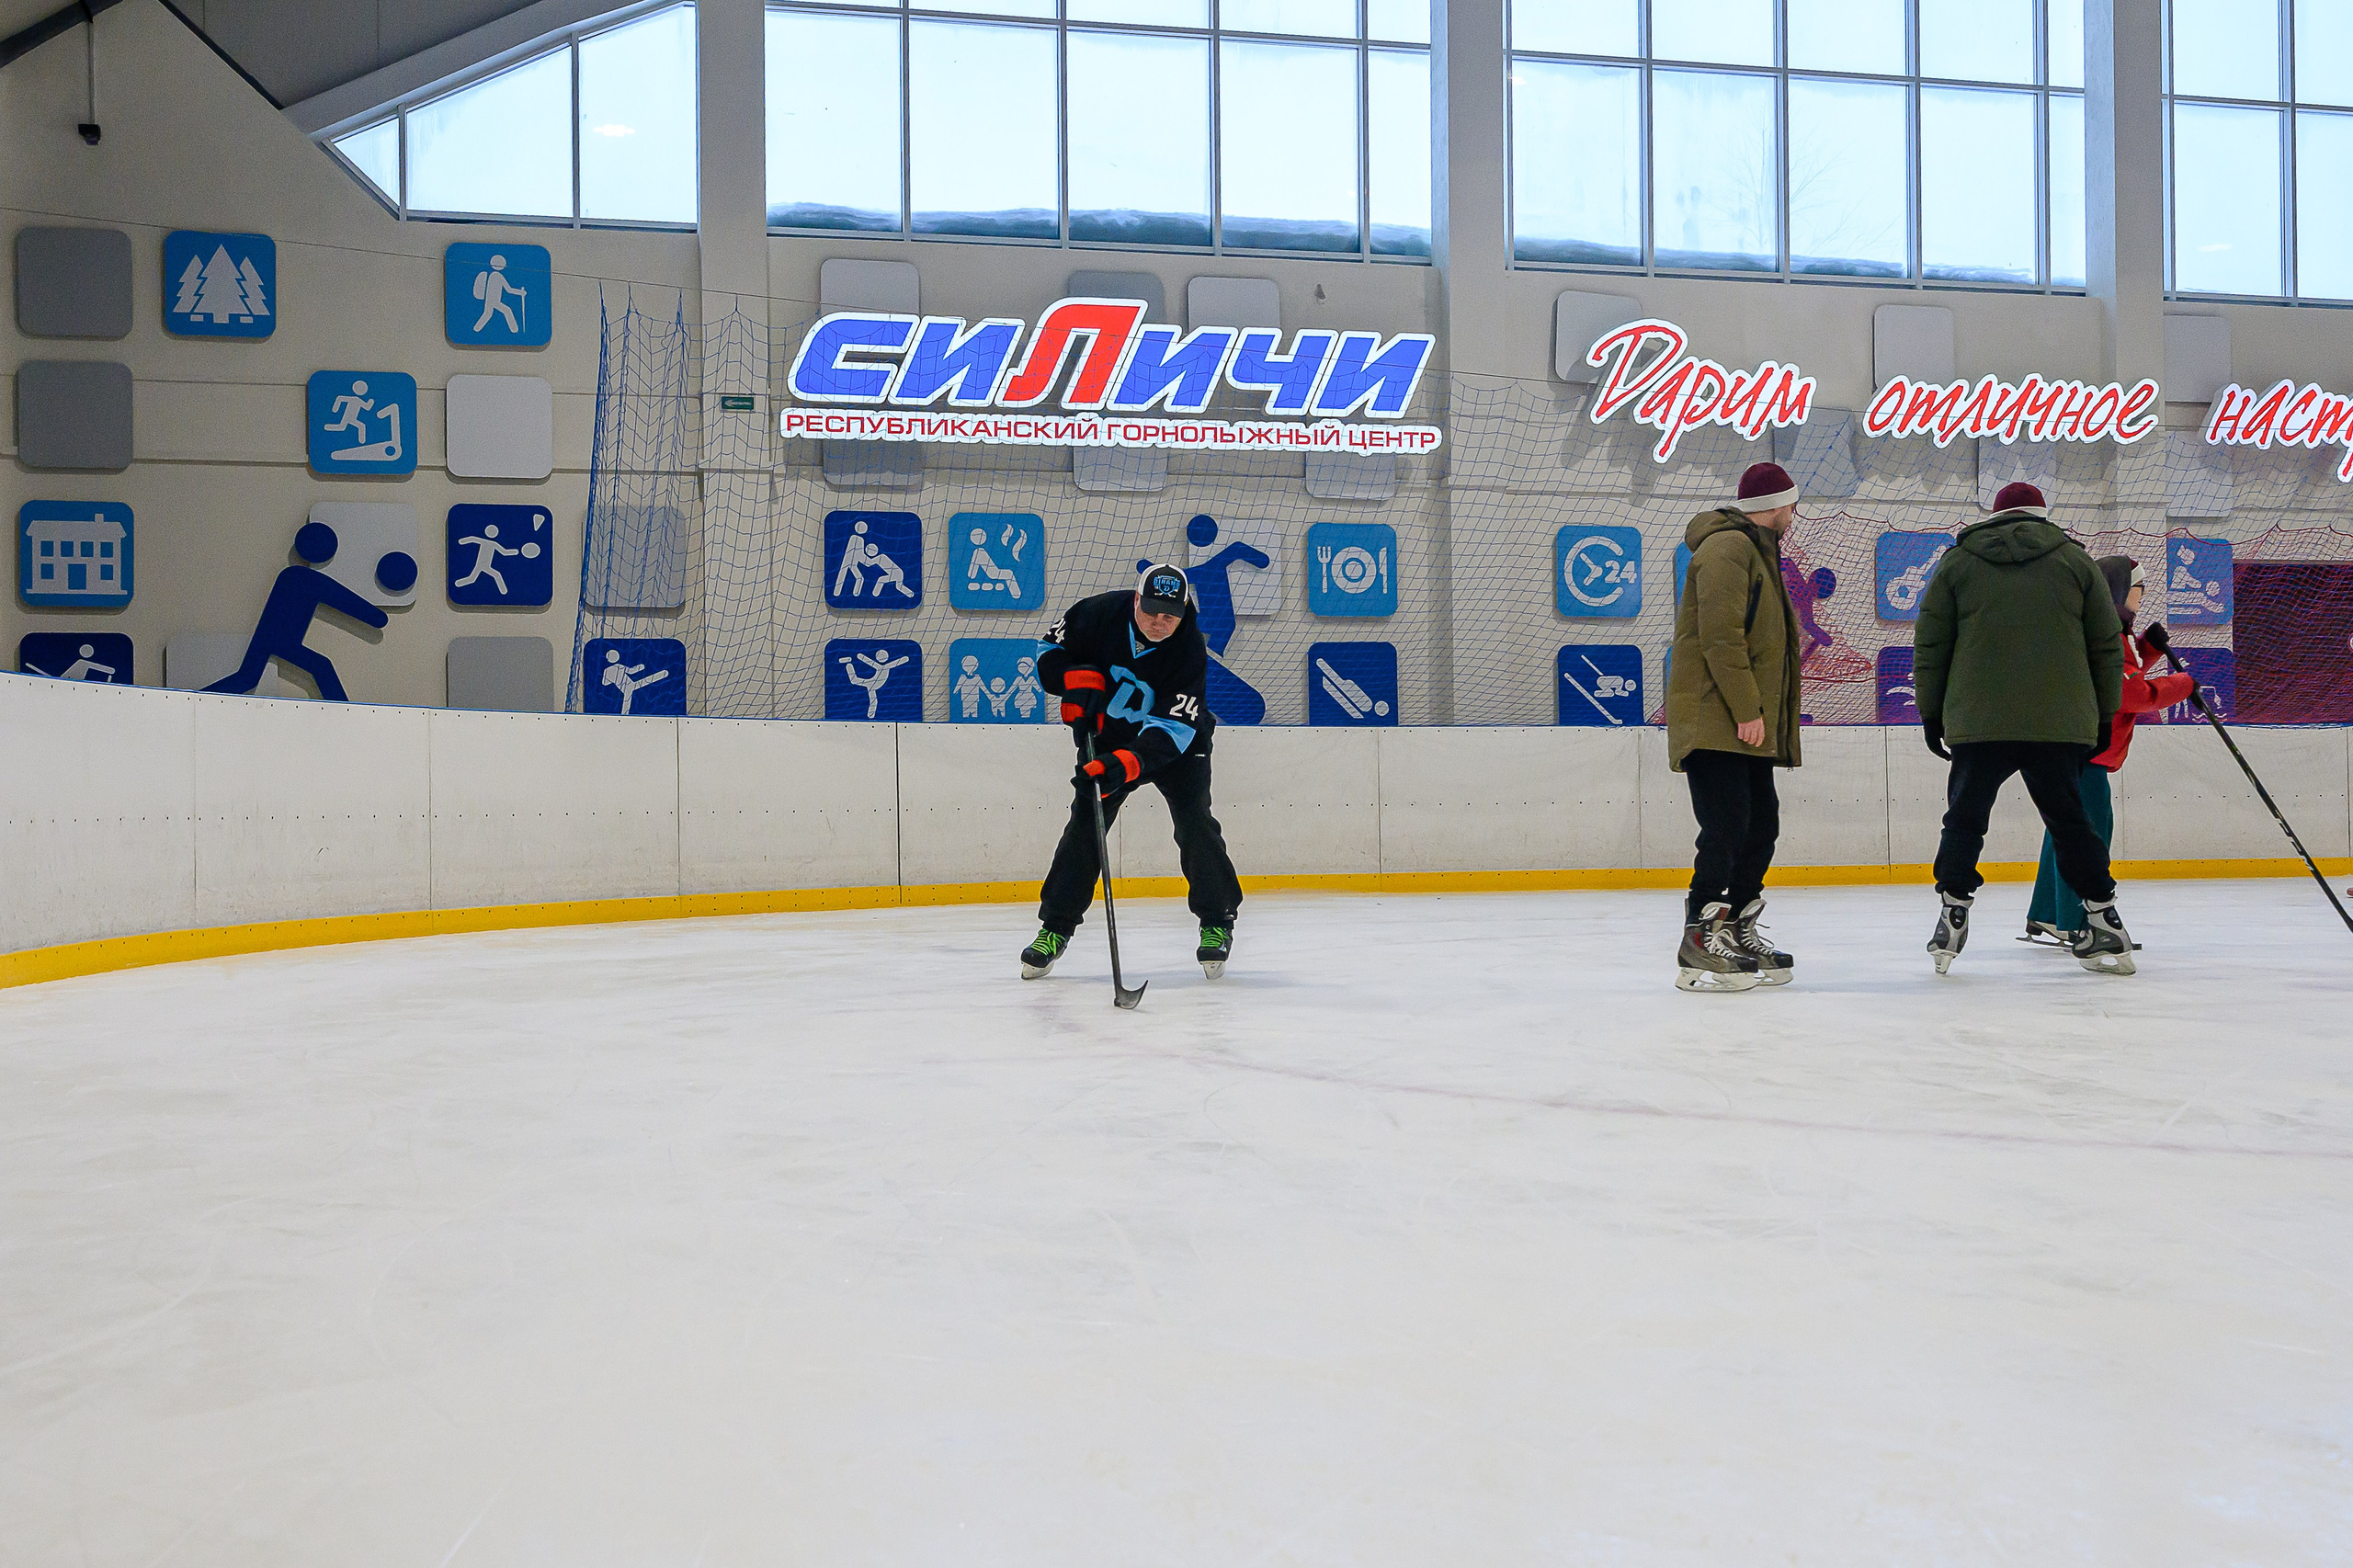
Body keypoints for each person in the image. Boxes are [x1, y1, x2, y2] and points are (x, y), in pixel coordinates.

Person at [1913, 482, 2133, 975]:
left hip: (1978, 722)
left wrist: (1931, 713)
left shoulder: (1957, 563)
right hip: (2057, 724)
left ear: (1995, 516)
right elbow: (2105, 645)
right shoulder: (2075, 563)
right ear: (2041, 515)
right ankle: (2103, 919)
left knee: (1965, 819)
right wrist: (2102, 715)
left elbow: (1930, 644)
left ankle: (1952, 909)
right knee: (2070, 822)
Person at [1020, 562, 1242, 981]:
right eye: (1152, 610)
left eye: (1170, 615)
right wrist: (1072, 679)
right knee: (1086, 823)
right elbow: (1049, 653)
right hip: (1108, 737)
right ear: (1136, 599)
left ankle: (1217, 919)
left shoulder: (1189, 648)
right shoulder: (1096, 614)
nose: (1160, 622)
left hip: (1175, 745)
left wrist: (1124, 765)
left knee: (1195, 821)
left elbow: (1173, 727)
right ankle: (1054, 927)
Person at [1664, 460, 1806, 992]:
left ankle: (1738, 927)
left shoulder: (1754, 551)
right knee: (1725, 828)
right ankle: (1702, 936)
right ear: (1774, 507)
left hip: (1741, 723)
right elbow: (1721, 639)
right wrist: (1749, 710)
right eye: (1792, 506)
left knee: (1759, 824)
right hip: (1716, 718)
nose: (1794, 515)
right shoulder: (1727, 548)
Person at [2024, 557, 2197, 945]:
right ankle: (2077, 920)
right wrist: (2181, 684)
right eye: (2138, 589)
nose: (2141, 597)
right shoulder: (2104, 635)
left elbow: (2118, 672)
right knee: (2087, 837)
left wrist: (2148, 650)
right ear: (2120, 590)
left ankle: (2048, 914)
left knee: (2064, 831)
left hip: (2070, 747)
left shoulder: (2092, 627)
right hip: (2087, 752)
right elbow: (2129, 692)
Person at [206, 522, 387, 702]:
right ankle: (345, 714)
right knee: (321, 667)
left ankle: (194, 700)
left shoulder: (290, 575)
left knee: (247, 677)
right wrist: (376, 617)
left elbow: (345, 601)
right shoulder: (309, 580)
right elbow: (347, 602)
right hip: (282, 641)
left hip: (268, 639)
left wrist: (376, 617)